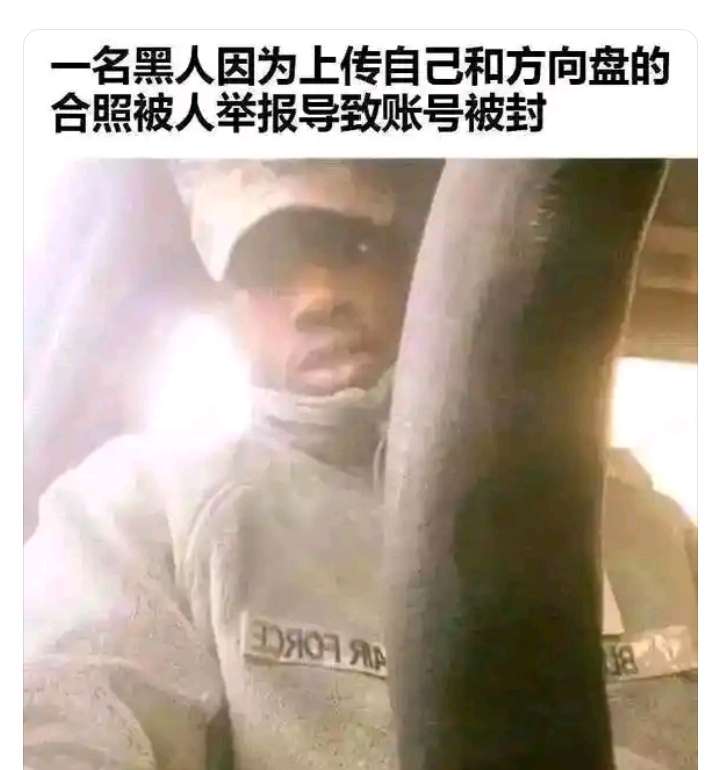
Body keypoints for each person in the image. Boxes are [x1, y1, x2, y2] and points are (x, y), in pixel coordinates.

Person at [24, 160, 696, 770]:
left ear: (414, 272)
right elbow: (64, 709)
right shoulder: (143, 506)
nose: (319, 298)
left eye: (353, 251)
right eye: (271, 268)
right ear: (231, 309)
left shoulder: (650, 527)